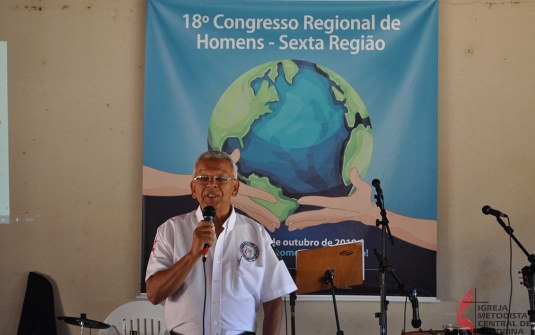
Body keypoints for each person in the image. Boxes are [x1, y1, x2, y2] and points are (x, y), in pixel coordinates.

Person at [145, 150, 297, 335]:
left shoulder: (256, 233)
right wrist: (192, 255)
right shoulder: (170, 230)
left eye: (221, 178)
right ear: (193, 189)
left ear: (235, 188)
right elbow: (154, 295)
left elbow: (274, 297)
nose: (211, 184)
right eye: (203, 178)